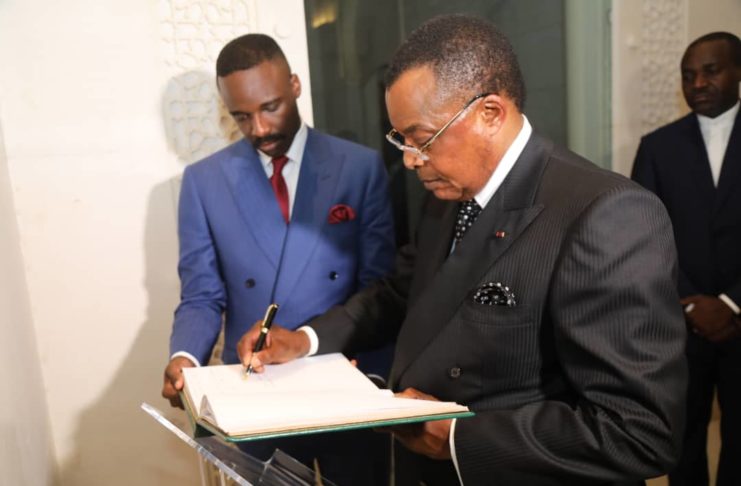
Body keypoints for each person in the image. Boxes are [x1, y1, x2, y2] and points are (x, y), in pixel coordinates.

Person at [238, 14, 688, 486]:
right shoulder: (447, 194)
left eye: (422, 139)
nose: (410, 160)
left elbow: (640, 432)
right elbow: (401, 293)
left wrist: (458, 437)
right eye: (401, 140)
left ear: (489, 114)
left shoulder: (605, 214)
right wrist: (305, 340)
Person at [160, 33, 396, 484]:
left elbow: (380, 287)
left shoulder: (359, 167)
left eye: (270, 108)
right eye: (241, 116)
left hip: (345, 381)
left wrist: (372, 376)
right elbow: (202, 294)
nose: (260, 129)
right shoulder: (203, 183)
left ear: (295, 85)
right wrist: (185, 356)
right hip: (257, 393)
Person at [631, 32, 741, 486]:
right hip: (680, 325)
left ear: (738, 72)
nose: (697, 83)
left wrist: (731, 302)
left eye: (711, 71)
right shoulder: (657, 146)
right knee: (684, 441)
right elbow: (642, 237)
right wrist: (690, 303)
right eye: (688, 75)